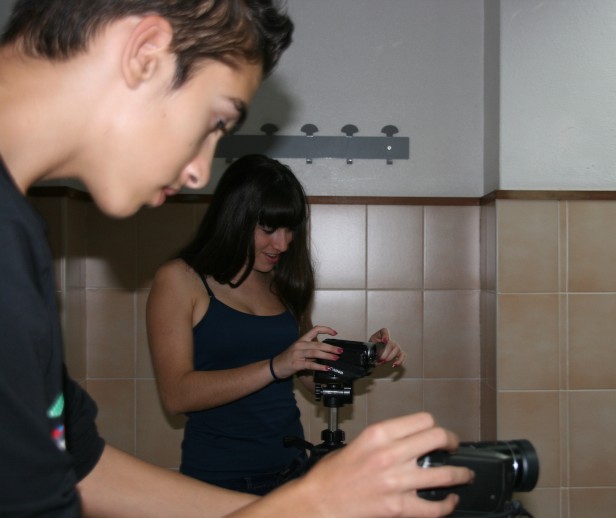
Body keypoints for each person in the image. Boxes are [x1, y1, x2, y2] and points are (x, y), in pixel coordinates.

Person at [0, 1, 472, 516]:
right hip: (222, 468)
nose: (198, 173)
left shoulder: (19, 235)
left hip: (284, 468)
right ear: (145, 52)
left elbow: (80, 468)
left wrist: (310, 497)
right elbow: (171, 400)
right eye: (215, 120)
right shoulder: (169, 276)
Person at [146, 153, 406, 495]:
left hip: (292, 470)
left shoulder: (283, 282)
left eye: (289, 229)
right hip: (219, 479)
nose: (282, 244)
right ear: (234, 218)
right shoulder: (180, 280)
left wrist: (362, 358)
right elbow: (176, 396)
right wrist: (274, 366)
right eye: (268, 229)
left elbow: (308, 376)